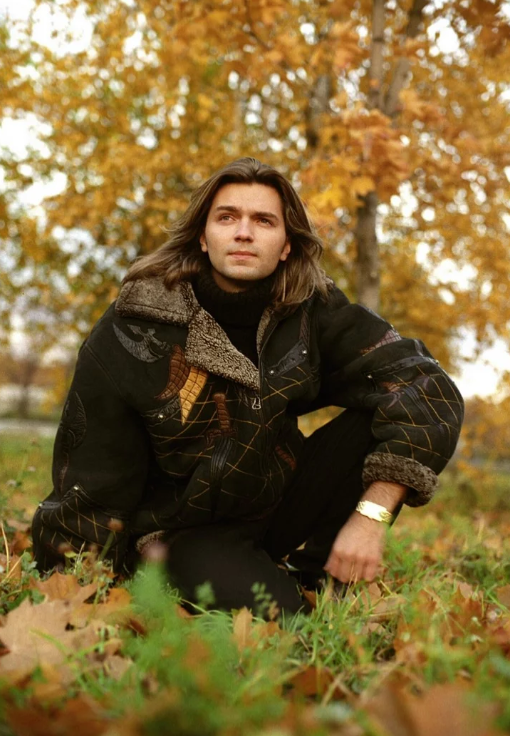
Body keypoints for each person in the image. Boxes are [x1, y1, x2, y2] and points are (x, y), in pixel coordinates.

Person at [32, 157, 464, 615]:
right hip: (181, 531)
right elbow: (91, 476)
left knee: (382, 411)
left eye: (263, 220)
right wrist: (78, 590)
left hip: (274, 504)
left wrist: (370, 516)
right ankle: (280, 593)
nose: (243, 233)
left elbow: (429, 389)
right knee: (283, 620)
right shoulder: (135, 326)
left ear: (286, 245)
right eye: (227, 217)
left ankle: (323, 574)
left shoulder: (311, 310)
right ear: (203, 237)